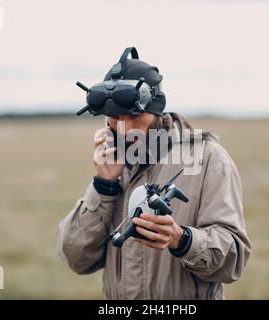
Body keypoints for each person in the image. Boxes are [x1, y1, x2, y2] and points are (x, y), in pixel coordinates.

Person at [57, 47, 251, 299]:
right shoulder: (114, 164)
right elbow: (76, 257)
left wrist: (182, 240)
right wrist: (103, 185)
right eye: (114, 117)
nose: (124, 129)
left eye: (134, 115)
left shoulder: (209, 159)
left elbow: (233, 260)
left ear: (156, 111)